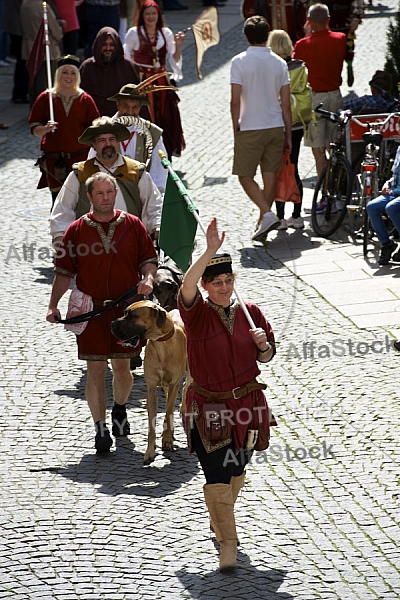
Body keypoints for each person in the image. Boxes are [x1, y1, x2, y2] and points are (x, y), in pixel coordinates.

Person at [178, 217, 276, 572]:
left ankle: (220, 519)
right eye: (216, 282)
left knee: (238, 468)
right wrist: (209, 251)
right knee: (217, 472)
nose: (223, 287)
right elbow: (186, 285)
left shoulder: (251, 313)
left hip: (249, 405)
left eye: (228, 280)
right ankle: (228, 546)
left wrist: (262, 347)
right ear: (205, 285)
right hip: (211, 407)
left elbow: (266, 357)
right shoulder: (197, 315)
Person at [46, 172, 158, 452]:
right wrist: (52, 305)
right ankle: (100, 428)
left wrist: (148, 278)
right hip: (92, 312)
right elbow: (63, 272)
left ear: (115, 193)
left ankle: (119, 408)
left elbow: (148, 259)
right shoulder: (76, 230)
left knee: (122, 367)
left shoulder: (132, 225)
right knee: (95, 369)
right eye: (100, 194)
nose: (106, 198)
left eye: (110, 192)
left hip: (126, 314)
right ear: (89, 197)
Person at [50, 117, 163, 246]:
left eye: (112, 139)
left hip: (129, 241)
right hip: (89, 243)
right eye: (102, 140)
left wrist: (157, 225)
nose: (108, 144)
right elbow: (64, 206)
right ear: (94, 145)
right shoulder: (81, 173)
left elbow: (153, 203)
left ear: (118, 142)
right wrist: (59, 235)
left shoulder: (136, 171)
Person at [230, 15, 291, 243]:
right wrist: (287, 132)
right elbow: (285, 103)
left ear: (246, 36)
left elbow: (235, 100)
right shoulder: (279, 63)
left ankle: (266, 214)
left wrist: (235, 123)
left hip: (250, 126)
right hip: (275, 125)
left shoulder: (239, 62)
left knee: (245, 176)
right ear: (267, 35)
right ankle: (263, 221)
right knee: (269, 176)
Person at [28, 54, 100, 206]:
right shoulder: (45, 98)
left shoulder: (85, 99)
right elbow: (34, 129)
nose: (69, 76)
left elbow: (95, 130)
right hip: (56, 161)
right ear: (58, 74)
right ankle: (58, 230)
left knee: (81, 203)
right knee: (58, 203)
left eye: (73, 72)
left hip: (80, 159)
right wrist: (45, 128)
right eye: (65, 72)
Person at [124, 0, 186, 159]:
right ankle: (144, 151)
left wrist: (178, 45)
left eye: (153, 13)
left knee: (165, 115)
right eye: (147, 14)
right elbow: (126, 56)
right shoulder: (133, 33)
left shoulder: (165, 33)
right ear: (142, 16)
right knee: (146, 114)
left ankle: (164, 152)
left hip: (161, 80)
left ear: (158, 15)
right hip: (143, 80)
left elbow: (174, 58)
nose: (151, 17)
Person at [293, 3, 347, 177]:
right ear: (328, 19)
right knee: (336, 147)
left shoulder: (302, 45)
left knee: (318, 150)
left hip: (314, 100)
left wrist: (309, 36)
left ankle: (324, 190)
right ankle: (338, 185)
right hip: (335, 96)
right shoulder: (340, 39)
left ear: (309, 21)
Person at [96, 80, 168, 193]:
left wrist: (154, 199)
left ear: (140, 108)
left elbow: (159, 172)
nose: (130, 111)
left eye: (134, 107)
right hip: (110, 196)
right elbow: (93, 166)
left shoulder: (152, 132)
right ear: (118, 104)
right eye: (125, 106)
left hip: (142, 195)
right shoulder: (103, 130)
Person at [268, 29, 307, 230]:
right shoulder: (299, 66)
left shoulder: (273, 68)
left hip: (278, 123)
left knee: (277, 170)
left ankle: (281, 217)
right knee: (294, 167)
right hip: (297, 123)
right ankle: (298, 215)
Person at [80, 26, 142, 117]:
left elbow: (139, 101)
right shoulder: (87, 67)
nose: (108, 48)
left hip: (123, 122)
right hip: (93, 121)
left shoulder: (129, 67)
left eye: (112, 44)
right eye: (104, 44)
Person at [21, 0, 64, 105]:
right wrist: (61, 28)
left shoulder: (25, 4)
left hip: (29, 49)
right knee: (46, 85)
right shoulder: (43, 7)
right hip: (46, 51)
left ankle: (35, 111)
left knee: (33, 85)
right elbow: (55, 31)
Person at [366, 145, 400, 265]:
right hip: (395, 191)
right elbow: (395, 174)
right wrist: (388, 182)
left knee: (391, 208)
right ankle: (387, 244)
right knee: (372, 207)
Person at [2, 0, 29, 103]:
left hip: (16, 25)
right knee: (23, 61)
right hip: (20, 26)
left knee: (21, 61)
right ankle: (20, 93)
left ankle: (19, 93)